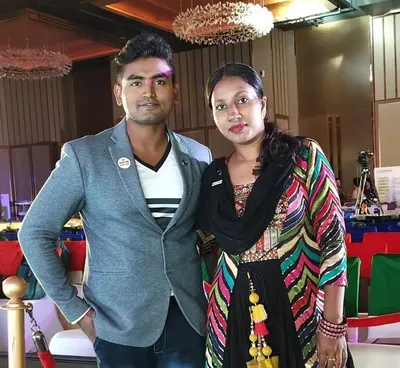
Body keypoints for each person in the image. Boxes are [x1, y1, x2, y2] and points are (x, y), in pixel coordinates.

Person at [18, 33, 212, 368]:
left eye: (159, 81)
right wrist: (76, 312)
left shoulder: (198, 155)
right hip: (117, 325)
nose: (148, 92)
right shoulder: (85, 156)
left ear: (175, 92)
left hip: (188, 319)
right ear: (119, 93)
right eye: (136, 82)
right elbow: (34, 232)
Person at [197, 63, 354, 368]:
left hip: (301, 303)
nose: (233, 113)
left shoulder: (303, 156)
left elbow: (333, 240)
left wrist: (332, 324)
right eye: (221, 106)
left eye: (242, 100)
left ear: (263, 104)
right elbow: (202, 247)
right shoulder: (213, 176)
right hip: (232, 311)